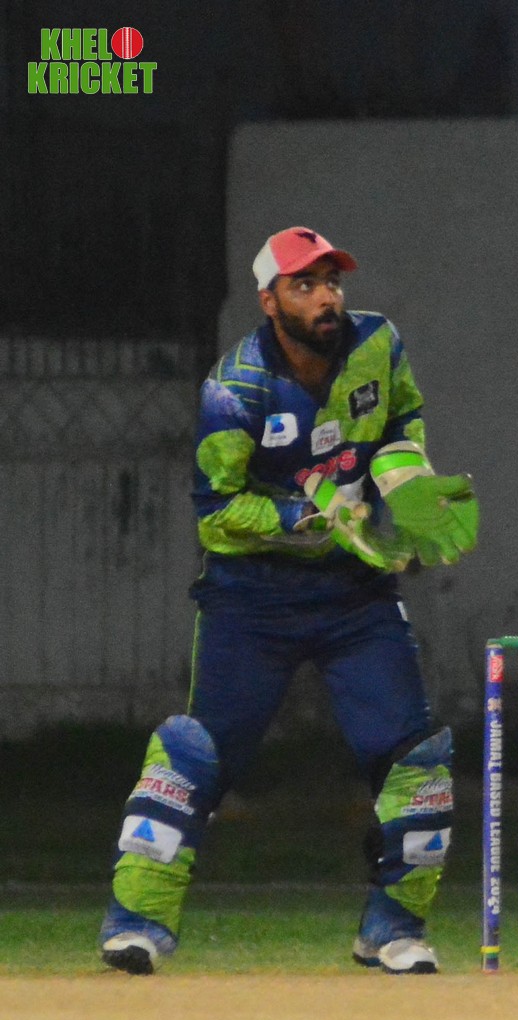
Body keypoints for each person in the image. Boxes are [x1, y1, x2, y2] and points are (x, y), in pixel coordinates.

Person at [98, 227, 479, 975]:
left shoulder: (378, 344)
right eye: (305, 285)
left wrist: (408, 489)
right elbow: (216, 513)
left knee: (418, 762)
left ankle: (393, 929)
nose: (327, 297)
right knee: (195, 754)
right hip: (251, 599)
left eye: (332, 281)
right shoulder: (234, 388)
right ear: (269, 301)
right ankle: (136, 923)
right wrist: (308, 516)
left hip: (355, 594)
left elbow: (401, 423)